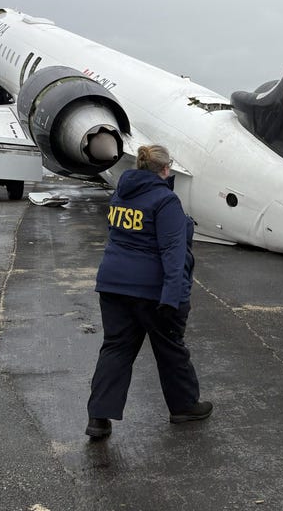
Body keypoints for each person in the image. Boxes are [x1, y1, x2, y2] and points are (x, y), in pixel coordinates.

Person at [86, 144, 211, 439]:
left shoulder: (120, 194)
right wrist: (173, 297)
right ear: (165, 170)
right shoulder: (165, 201)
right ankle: (184, 406)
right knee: (170, 348)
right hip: (150, 291)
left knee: (116, 348)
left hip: (113, 285)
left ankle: (98, 418)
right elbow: (173, 252)